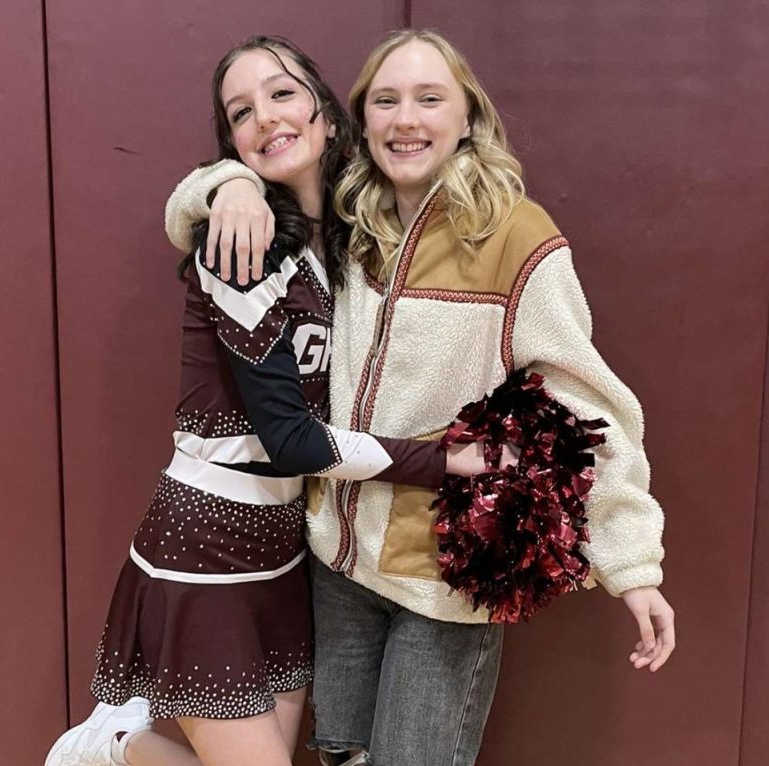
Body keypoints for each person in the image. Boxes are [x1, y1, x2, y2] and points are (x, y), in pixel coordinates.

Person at [164, 29, 676, 766]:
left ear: (467, 116)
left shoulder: (514, 236)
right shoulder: (349, 223)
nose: (406, 118)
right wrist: (227, 183)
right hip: (337, 562)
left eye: (429, 98)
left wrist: (633, 568)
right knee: (342, 756)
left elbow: (587, 405)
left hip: (440, 576)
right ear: (360, 122)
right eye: (387, 100)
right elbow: (210, 193)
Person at [44, 36, 497, 766]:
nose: (266, 117)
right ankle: (111, 747)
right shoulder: (240, 248)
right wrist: (447, 463)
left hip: (284, 554)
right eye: (241, 112)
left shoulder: (349, 240)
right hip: (203, 551)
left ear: (324, 114)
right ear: (233, 145)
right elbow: (290, 438)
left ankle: (128, 749)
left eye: (282, 94)